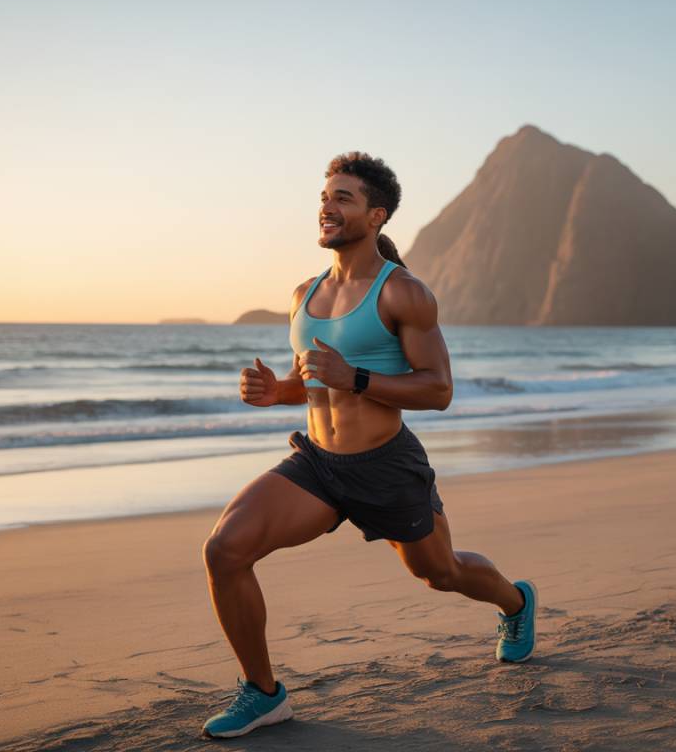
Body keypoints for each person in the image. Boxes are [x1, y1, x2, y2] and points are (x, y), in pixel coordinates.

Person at [200, 152, 537, 739]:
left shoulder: (404, 293)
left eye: (343, 198)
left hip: (386, 466)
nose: (328, 207)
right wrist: (271, 391)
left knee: (442, 572)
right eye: (325, 197)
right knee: (225, 549)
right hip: (319, 465)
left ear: (376, 215)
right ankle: (263, 693)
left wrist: (353, 377)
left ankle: (515, 602)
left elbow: (438, 390)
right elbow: (307, 385)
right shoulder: (304, 294)